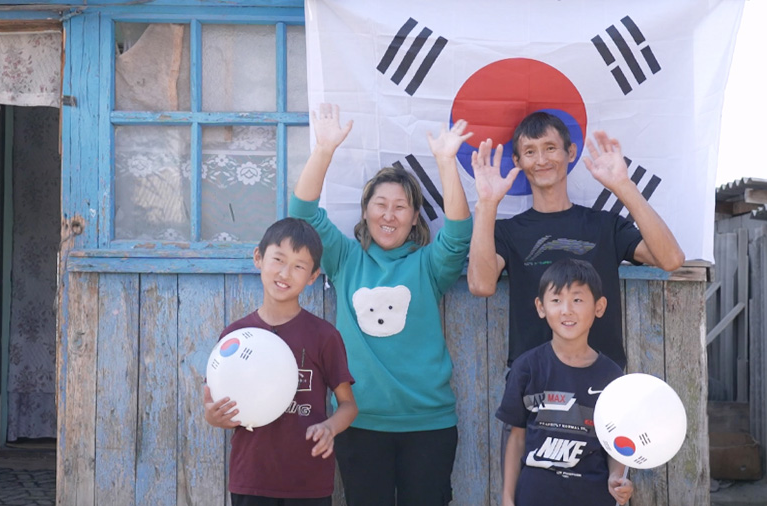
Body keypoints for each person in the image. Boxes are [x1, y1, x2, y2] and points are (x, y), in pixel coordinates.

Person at [289, 103, 473, 506]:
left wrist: (446, 162)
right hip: (359, 422)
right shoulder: (344, 258)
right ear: (366, 211)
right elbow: (301, 215)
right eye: (380, 204)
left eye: (401, 206)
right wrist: (323, 150)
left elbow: (459, 234)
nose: (389, 215)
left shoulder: (428, 265)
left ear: (414, 218)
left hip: (428, 424)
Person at [467, 112, 685, 369]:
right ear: (517, 161)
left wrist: (624, 186)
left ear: (570, 152)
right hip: (533, 375)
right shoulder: (507, 231)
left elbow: (671, 259)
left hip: (600, 373)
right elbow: (481, 286)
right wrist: (487, 204)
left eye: (550, 148)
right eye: (530, 152)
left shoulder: (606, 225)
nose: (541, 160)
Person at [203, 217, 357, 505]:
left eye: (299, 266)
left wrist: (330, 427)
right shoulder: (236, 335)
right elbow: (211, 402)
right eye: (278, 259)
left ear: (312, 276)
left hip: (308, 481)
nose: (285, 273)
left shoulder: (324, 336)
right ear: (259, 258)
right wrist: (213, 417)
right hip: (252, 479)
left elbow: (348, 405)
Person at [497, 258, 634, 506]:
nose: (567, 310)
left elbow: (617, 443)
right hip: (534, 497)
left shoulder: (611, 376)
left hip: (593, 497)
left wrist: (617, 476)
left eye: (578, 300)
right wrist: (507, 498)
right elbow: (515, 438)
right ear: (541, 307)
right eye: (556, 300)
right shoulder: (527, 368)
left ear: (599, 306)